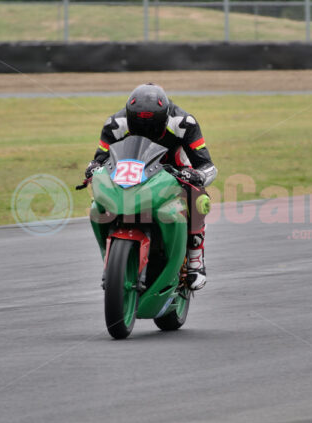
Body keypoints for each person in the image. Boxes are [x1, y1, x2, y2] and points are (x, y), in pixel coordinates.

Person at [83, 83, 217, 290]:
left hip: (174, 170)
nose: (146, 130)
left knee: (199, 197)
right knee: (98, 199)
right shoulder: (115, 124)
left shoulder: (184, 122)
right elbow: (99, 160)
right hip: (130, 171)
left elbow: (207, 166)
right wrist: (92, 169)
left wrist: (197, 175)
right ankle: (110, 260)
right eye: (139, 125)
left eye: (153, 126)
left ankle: (195, 260)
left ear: (165, 117)